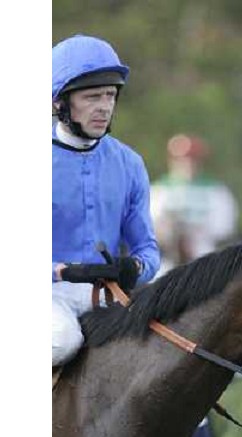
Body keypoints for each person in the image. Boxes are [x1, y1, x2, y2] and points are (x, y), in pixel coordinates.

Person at [52, 34, 160, 366]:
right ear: (59, 103)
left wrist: (135, 268)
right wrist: (61, 271)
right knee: (60, 341)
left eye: (110, 96)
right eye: (92, 97)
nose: (104, 107)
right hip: (47, 298)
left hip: (110, 298)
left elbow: (148, 249)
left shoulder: (130, 163)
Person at [150, 134, 238, 274]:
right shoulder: (158, 190)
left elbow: (224, 227)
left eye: (192, 159)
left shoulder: (216, 191)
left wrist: (193, 231)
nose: (187, 164)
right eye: (182, 159)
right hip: (166, 261)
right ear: (171, 160)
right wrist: (167, 231)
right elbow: (150, 225)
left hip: (205, 258)